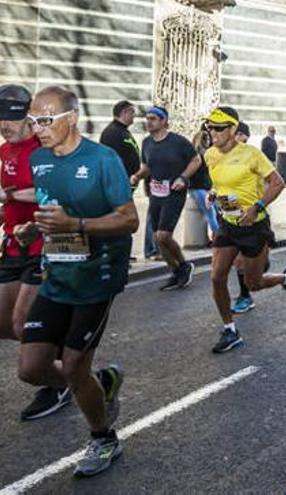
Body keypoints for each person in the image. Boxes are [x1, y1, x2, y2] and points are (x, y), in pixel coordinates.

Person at [18, 85, 135, 477]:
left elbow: (129, 219)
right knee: (31, 368)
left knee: (71, 365)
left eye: (46, 120)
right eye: (33, 121)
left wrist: (77, 224)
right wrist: (33, 231)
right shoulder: (39, 159)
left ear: (72, 119)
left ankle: (103, 438)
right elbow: (54, 213)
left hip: (97, 276)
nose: (38, 129)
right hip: (57, 274)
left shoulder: (104, 160)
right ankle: (97, 384)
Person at [202, 106, 286, 353]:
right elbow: (219, 183)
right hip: (228, 223)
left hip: (254, 226)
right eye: (210, 127)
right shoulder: (210, 155)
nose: (213, 132)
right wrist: (214, 194)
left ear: (233, 129)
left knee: (254, 283)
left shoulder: (251, 154)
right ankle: (230, 330)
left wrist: (256, 207)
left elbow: (278, 183)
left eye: (219, 128)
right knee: (216, 277)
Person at [0, 84, 72, 420]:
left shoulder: (43, 148)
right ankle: (60, 358)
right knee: (5, 324)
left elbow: (53, 191)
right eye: (0, 120)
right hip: (14, 244)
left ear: (29, 119)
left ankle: (67, 381)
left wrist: (10, 195)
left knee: (21, 323)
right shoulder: (5, 151)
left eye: (11, 121)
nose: (5, 126)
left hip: (44, 244)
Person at [129, 106, 199, 291]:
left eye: (153, 118)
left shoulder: (178, 142)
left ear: (163, 121)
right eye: (147, 118)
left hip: (174, 193)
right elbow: (147, 167)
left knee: (163, 235)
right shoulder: (146, 143)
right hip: (155, 194)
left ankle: (184, 265)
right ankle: (176, 271)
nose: (148, 121)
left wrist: (183, 177)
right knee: (158, 239)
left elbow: (196, 160)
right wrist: (137, 176)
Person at [99, 100, 156, 259]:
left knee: (124, 219)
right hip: (118, 184)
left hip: (127, 184)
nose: (134, 116)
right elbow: (110, 160)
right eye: (132, 112)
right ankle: (115, 252)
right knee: (121, 219)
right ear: (123, 113)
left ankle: (122, 252)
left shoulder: (123, 131)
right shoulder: (111, 133)